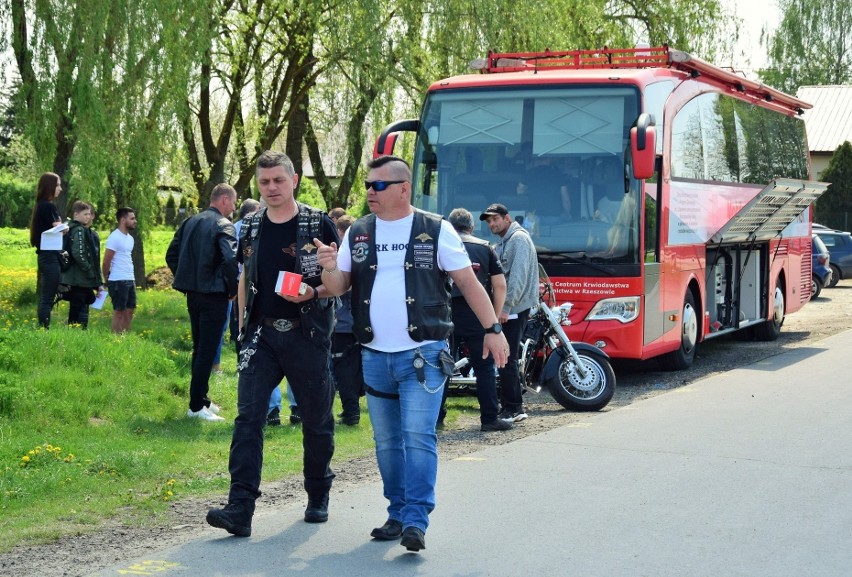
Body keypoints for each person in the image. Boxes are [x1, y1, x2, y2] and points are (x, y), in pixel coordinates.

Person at [316, 155, 510, 552]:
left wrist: (493, 330)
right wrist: (327, 267)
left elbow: (470, 284)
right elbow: (338, 287)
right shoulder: (359, 232)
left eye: (378, 185)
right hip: (374, 354)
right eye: (368, 185)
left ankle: (416, 520)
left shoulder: (435, 230)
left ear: (403, 188)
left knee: (418, 437)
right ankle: (398, 512)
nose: (370, 191)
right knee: (386, 442)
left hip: (422, 354)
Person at [205, 150, 338, 537]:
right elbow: (244, 280)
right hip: (261, 334)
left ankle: (317, 494)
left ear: (294, 180)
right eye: (264, 182)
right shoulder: (248, 226)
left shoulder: (318, 222)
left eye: (278, 180)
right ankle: (240, 508)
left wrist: (313, 290)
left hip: (307, 332)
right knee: (248, 418)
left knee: (316, 419)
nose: (271, 188)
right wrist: (243, 329)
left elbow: (336, 284)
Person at [166, 184, 238, 422]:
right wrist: (232, 289)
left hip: (194, 294)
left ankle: (202, 398)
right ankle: (196, 406)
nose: (235, 208)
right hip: (214, 294)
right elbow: (230, 259)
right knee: (206, 350)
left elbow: (171, 254)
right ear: (225, 200)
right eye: (234, 202)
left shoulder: (190, 221)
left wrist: (186, 277)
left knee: (201, 348)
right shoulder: (223, 225)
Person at [439, 207, 510, 432]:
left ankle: (436, 418)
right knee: (484, 368)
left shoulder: (439, 244)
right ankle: (489, 418)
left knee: (440, 366)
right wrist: (494, 317)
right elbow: (499, 285)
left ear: (450, 227)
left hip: (445, 313)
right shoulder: (484, 247)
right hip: (478, 314)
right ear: (471, 227)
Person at [480, 203, 539, 423]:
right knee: (506, 357)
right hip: (510, 309)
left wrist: (505, 308)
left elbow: (518, 278)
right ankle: (510, 406)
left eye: (495, 219)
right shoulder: (505, 242)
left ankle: (514, 408)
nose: (492, 224)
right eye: (489, 221)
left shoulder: (519, 240)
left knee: (506, 358)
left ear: (507, 218)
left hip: (514, 310)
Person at [331, 214, 365, 426]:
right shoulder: (365, 253)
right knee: (356, 366)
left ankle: (351, 411)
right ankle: (352, 409)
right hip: (362, 320)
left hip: (343, 321)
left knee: (343, 368)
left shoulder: (340, 255)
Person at [29, 172, 64, 329]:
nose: (60, 189)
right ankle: (44, 329)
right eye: (57, 185)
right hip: (50, 257)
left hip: (45, 257)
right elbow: (59, 228)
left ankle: (43, 327)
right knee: (48, 297)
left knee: (47, 296)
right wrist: (64, 227)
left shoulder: (40, 205)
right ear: (49, 186)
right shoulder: (48, 206)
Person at [61, 201, 103, 328]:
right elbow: (78, 253)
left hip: (77, 276)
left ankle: (77, 329)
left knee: (82, 301)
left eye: (89, 214)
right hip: (78, 276)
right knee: (79, 302)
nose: (88, 217)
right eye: (85, 214)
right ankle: (73, 329)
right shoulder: (78, 230)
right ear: (76, 214)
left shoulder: (71, 228)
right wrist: (89, 269)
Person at [102, 207, 138, 333]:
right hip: (117, 280)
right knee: (119, 311)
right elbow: (106, 261)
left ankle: (125, 337)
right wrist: (107, 278)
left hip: (130, 279)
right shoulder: (114, 237)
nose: (135, 221)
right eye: (132, 218)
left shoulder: (130, 239)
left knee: (130, 310)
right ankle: (115, 338)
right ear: (123, 220)